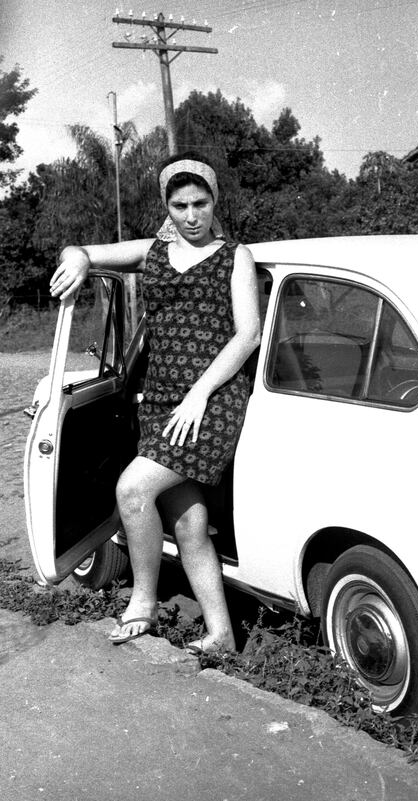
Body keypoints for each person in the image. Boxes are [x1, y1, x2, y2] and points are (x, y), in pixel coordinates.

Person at [50, 152, 261, 653]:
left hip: (212, 398)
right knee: (188, 523)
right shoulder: (153, 252)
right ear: (168, 206)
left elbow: (248, 334)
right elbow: (83, 251)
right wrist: (78, 257)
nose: (192, 215)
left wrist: (199, 395)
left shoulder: (236, 256)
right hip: (161, 395)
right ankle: (222, 635)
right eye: (181, 204)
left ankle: (143, 601)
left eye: (201, 204)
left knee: (131, 491)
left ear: (215, 202)